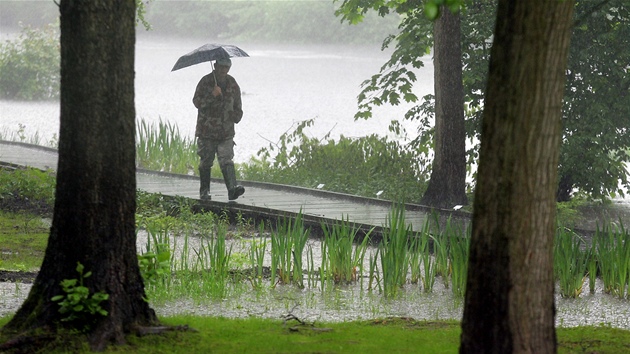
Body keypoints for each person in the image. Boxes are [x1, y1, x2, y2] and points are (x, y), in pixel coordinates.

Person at [192, 57, 245, 201]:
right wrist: (212, 95)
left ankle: (232, 189)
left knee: (226, 160)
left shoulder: (233, 83)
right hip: (207, 131)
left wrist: (236, 116)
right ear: (215, 66)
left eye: (226, 67)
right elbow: (197, 102)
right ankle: (204, 192)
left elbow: (238, 106)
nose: (223, 70)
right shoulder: (205, 82)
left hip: (226, 132)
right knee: (206, 161)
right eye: (221, 67)